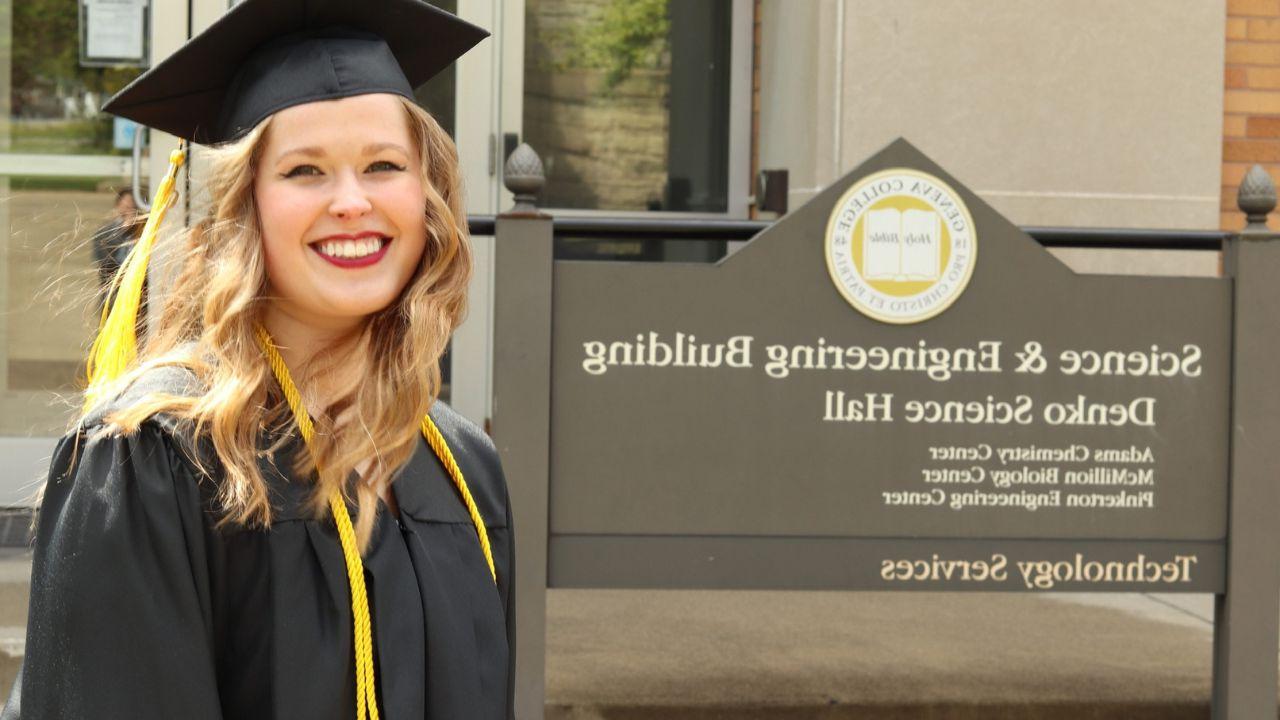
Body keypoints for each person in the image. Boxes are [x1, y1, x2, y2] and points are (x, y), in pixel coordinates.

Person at [2, 1, 512, 719]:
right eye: (305, 171)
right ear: (246, 208)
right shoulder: (153, 462)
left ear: (427, 197)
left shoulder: (461, 465)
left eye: (385, 165)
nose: (351, 201)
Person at [90, 188, 141, 288]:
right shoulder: (104, 234)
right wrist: (123, 230)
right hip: (115, 289)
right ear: (117, 206)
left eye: (132, 205)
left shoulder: (143, 231)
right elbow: (105, 264)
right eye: (126, 205)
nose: (129, 209)